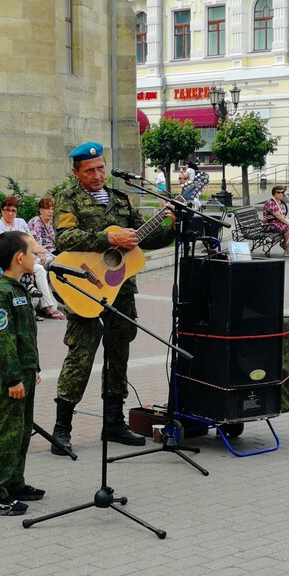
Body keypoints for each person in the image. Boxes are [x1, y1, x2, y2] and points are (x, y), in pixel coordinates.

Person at [50, 141, 176, 455]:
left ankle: (114, 423)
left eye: (101, 167)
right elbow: (64, 238)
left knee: (118, 354)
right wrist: (107, 237)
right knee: (80, 356)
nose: (98, 174)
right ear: (76, 171)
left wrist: (171, 224)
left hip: (121, 291)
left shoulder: (121, 199)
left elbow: (141, 239)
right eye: (90, 169)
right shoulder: (69, 199)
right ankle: (61, 430)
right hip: (85, 287)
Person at [0, 232, 45, 515]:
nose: (36, 255)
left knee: (21, 432)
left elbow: (23, 337)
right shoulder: (1, 292)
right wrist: (13, 378)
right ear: (19, 258)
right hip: (10, 376)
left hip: (23, 371)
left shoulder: (16, 289)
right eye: (32, 251)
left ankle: (14, 483)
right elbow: (2, 341)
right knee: (6, 433)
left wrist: (32, 369)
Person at [0, 196, 64, 320]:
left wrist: (39, 251)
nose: (10, 213)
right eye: (7, 210)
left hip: (29, 256)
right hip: (14, 261)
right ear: (2, 211)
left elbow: (31, 240)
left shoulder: (20, 222)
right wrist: (33, 252)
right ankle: (49, 305)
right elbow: (11, 249)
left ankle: (52, 302)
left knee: (50, 264)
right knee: (43, 268)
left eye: (13, 210)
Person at [263, 185, 289, 257]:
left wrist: (288, 218)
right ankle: (284, 244)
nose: (281, 194)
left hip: (278, 222)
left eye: (282, 192)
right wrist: (288, 223)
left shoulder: (281, 202)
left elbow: (282, 215)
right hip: (270, 224)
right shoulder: (271, 203)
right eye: (278, 192)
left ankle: (287, 249)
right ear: (274, 193)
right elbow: (278, 216)